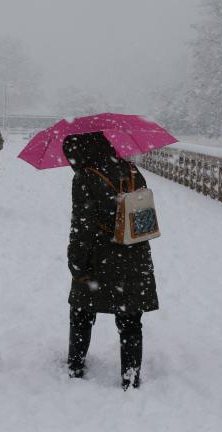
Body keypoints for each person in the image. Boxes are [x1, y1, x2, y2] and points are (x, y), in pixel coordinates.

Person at [62, 131, 159, 390]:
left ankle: (75, 366)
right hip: (134, 255)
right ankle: (131, 376)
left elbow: (81, 226)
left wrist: (77, 264)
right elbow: (142, 214)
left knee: (81, 311)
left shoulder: (85, 177)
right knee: (130, 320)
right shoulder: (132, 170)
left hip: (98, 256)